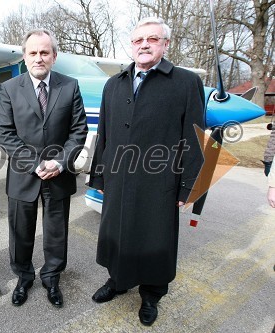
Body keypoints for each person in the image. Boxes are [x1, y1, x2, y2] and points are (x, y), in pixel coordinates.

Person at [88, 17, 205, 326]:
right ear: (132, 46)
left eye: (152, 39)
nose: (144, 45)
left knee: (155, 239)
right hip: (118, 177)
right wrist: (98, 175)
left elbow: (194, 137)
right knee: (119, 233)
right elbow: (105, 134)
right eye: (139, 40)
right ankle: (118, 281)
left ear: (165, 44)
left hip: (160, 181)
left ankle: (152, 295)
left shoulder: (186, 82)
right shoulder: (114, 84)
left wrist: (188, 187)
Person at [0, 29, 88, 308]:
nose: (39, 57)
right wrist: (36, 164)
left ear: (54, 56)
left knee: (56, 232)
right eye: (33, 52)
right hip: (24, 175)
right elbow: (5, 134)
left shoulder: (70, 86)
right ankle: (24, 278)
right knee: (20, 231)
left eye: (44, 52)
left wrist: (60, 161)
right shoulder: (10, 88)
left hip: (59, 173)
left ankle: (51, 278)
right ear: (24, 57)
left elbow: (78, 130)